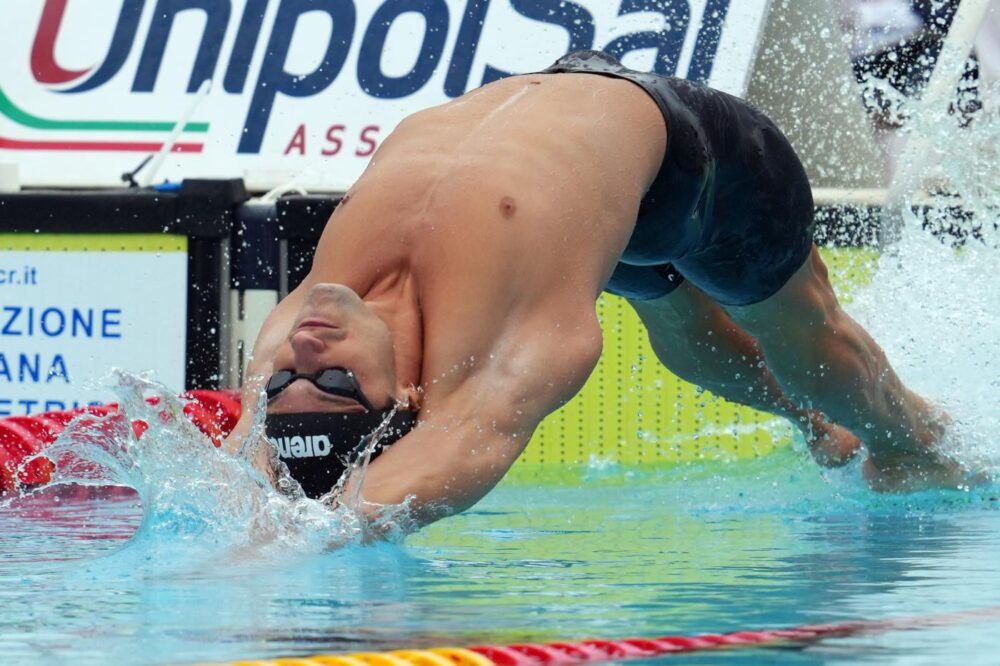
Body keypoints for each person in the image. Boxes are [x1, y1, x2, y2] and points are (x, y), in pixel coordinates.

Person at [226, 50, 968, 527]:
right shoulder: (507, 361)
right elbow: (454, 452)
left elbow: (247, 457)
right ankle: (917, 441)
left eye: (284, 379)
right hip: (701, 166)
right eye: (330, 380)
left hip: (583, 122)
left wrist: (256, 543)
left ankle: (852, 425)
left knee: (687, 330)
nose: (303, 348)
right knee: (796, 345)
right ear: (407, 398)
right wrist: (315, 551)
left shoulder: (302, 328)